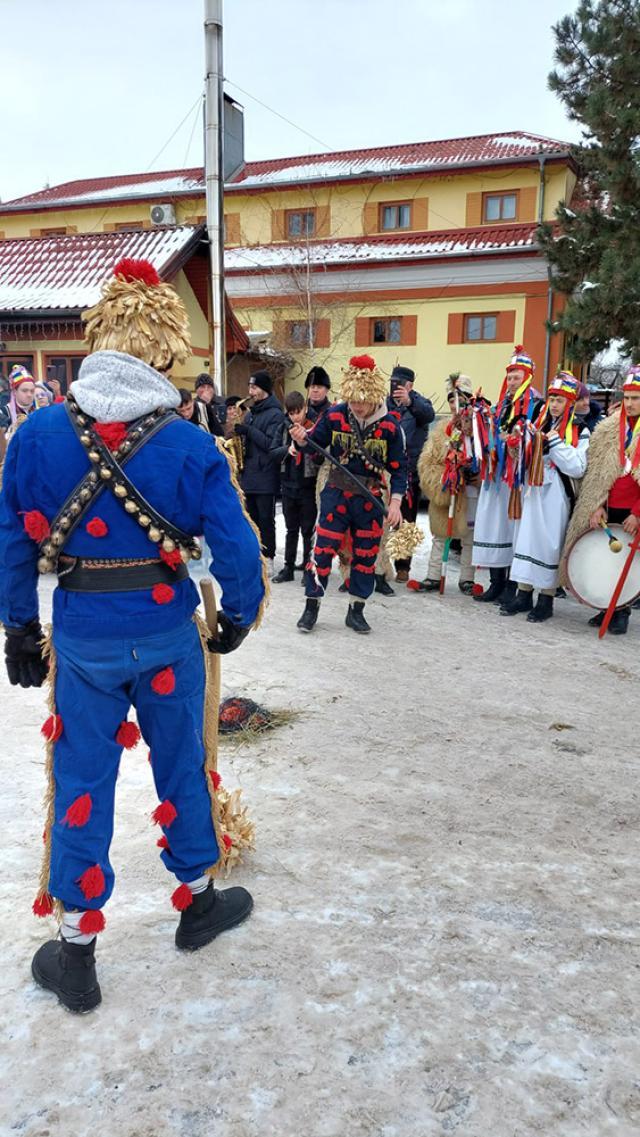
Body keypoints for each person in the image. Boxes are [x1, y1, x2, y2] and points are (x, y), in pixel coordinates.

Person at [0, 257, 265, 1013]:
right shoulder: (190, 444)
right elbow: (237, 547)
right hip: (167, 631)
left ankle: (76, 948)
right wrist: (238, 613)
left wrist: (19, 623)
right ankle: (197, 900)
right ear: (162, 347)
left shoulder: (38, 433)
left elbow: (12, 536)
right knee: (182, 761)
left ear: (100, 338)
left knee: (81, 781)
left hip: (81, 634)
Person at [290, 354, 407, 635]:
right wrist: (301, 440)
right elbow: (314, 446)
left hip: (370, 498)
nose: (356, 407)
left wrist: (395, 503)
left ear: (374, 396)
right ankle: (311, 607)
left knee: (366, 555)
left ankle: (356, 610)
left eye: (362, 401)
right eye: (352, 400)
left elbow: (401, 469)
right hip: (336, 494)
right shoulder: (335, 415)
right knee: (321, 551)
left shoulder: (390, 425)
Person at [501, 372, 589, 622]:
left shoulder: (580, 430)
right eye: (551, 399)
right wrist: (517, 448)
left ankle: (546, 598)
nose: (553, 405)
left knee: (549, 544)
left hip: (557, 495)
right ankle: (523, 593)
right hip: (533, 490)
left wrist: (557, 445)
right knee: (527, 539)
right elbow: (526, 460)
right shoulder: (538, 424)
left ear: (570, 403)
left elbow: (578, 467)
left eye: (559, 400)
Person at [561, 365, 640, 635]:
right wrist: (597, 506)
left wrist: (638, 513)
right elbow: (595, 473)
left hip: (633, 509)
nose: (629, 404)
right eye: (627, 398)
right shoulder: (607, 430)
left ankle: (622, 611)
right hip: (610, 505)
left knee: (627, 563)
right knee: (606, 558)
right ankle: (606, 606)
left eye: (636, 398)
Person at [472, 345, 543, 605]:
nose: (512, 381)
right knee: (495, 527)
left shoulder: (536, 403)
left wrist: (515, 442)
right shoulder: (502, 404)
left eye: (517, 377)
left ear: (527, 377)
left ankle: (513, 586)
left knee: (514, 530)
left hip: (517, 478)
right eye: (510, 377)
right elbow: (493, 432)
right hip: (498, 474)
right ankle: (496, 583)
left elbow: (534, 436)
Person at [416, 374, 481, 593]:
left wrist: (476, 473)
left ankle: (467, 578)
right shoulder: (440, 431)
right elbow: (427, 461)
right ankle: (434, 576)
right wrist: (445, 477)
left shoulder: (479, 427)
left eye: (460, 399)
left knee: (469, 538)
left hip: (471, 491)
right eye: (452, 400)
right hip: (447, 490)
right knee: (440, 536)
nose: (456, 404)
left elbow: (488, 456)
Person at [234, 370, 285, 574]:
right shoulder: (251, 413)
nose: (250, 391)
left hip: (265, 474)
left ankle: (269, 557)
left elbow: (269, 444)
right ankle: (254, 555)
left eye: (254, 387)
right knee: (251, 518)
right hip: (249, 474)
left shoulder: (276, 413)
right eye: (250, 387)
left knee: (266, 519)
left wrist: (248, 431)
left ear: (264, 390)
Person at [386, 365, 435, 582]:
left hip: (408, 473)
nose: (394, 388)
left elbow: (428, 415)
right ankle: (379, 564)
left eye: (399, 384)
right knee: (379, 519)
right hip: (383, 472)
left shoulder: (419, 404)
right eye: (392, 383)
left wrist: (410, 401)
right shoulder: (382, 405)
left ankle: (403, 566)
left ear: (409, 386)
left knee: (405, 522)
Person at [271, 391, 318, 583]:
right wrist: (287, 449)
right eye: (291, 413)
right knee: (291, 530)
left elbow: (320, 455)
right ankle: (288, 568)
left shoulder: (314, 426)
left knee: (308, 531)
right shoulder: (283, 428)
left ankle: (308, 569)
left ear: (305, 409)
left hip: (308, 486)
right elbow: (272, 452)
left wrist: (305, 443)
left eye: (298, 412)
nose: (295, 417)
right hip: (288, 485)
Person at [194, 372, 225, 436]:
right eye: (202, 387)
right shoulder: (193, 405)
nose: (206, 390)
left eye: (209, 387)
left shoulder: (223, 402)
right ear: (196, 390)